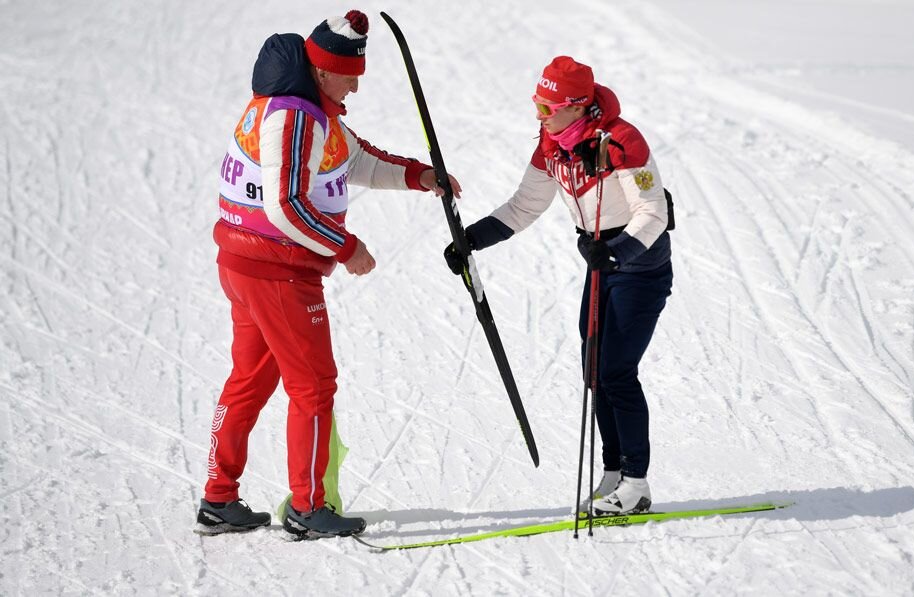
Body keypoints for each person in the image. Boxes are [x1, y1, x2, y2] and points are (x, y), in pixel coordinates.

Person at [196, 10, 461, 539]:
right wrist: (347, 247)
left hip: (250, 265)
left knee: (250, 381)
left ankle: (218, 499)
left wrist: (420, 176)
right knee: (314, 385)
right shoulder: (295, 117)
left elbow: (357, 161)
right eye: (350, 73)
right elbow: (286, 205)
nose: (357, 85)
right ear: (322, 71)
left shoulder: (313, 114)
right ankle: (308, 508)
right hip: (277, 271)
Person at [445, 56, 672, 514]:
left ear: (576, 105)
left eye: (547, 107)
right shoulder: (552, 145)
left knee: (617, 372)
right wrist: (472, 239)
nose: (539, 115)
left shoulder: (623, 140)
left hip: (639, 266)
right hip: (601, 264)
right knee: (595, 369)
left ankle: (637, 484)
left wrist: (617, 252)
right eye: (536, 104)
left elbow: (654, 213)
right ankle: (613, 474)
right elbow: (525, 206)